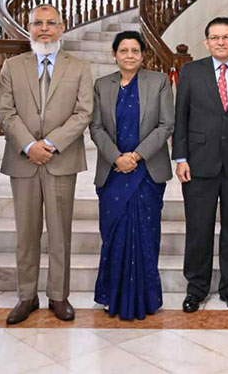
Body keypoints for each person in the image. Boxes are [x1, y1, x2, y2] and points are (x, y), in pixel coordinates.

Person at [0, 4, 93, 324]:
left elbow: (83, 112)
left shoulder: (79, 67)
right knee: (26, 233)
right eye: (38, 23)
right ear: (29, 28)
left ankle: (58, 295)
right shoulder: (12, 66)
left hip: (60, 159)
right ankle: (26, 296)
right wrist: (30, 145)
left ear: (62, 28)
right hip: (23, 160)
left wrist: (49, 144)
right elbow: (6, 112)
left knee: (59, 233)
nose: (44, 29)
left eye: (51, 23)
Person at [173, 17, 228, 313]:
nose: (221, 42)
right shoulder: (190, 71)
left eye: (226, 37)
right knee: (198, 228)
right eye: (215, 37)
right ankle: (196, 288)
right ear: (206, 43)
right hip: (199, 163)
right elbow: (181, 116)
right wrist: (181, 158)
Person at [90, 31, 174, 320]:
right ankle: (111, 295)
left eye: (135, 50)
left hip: (147, 171)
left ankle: (146, 298)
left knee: (146, 235)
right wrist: (117, 157)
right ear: (114, 55)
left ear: (143, 55)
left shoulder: (159, 81)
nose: (129, 55)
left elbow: (166, 125)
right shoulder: (102, 85)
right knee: (113, 234)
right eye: (123, 50)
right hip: (113, 172)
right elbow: (96, 127)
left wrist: (136, 156)